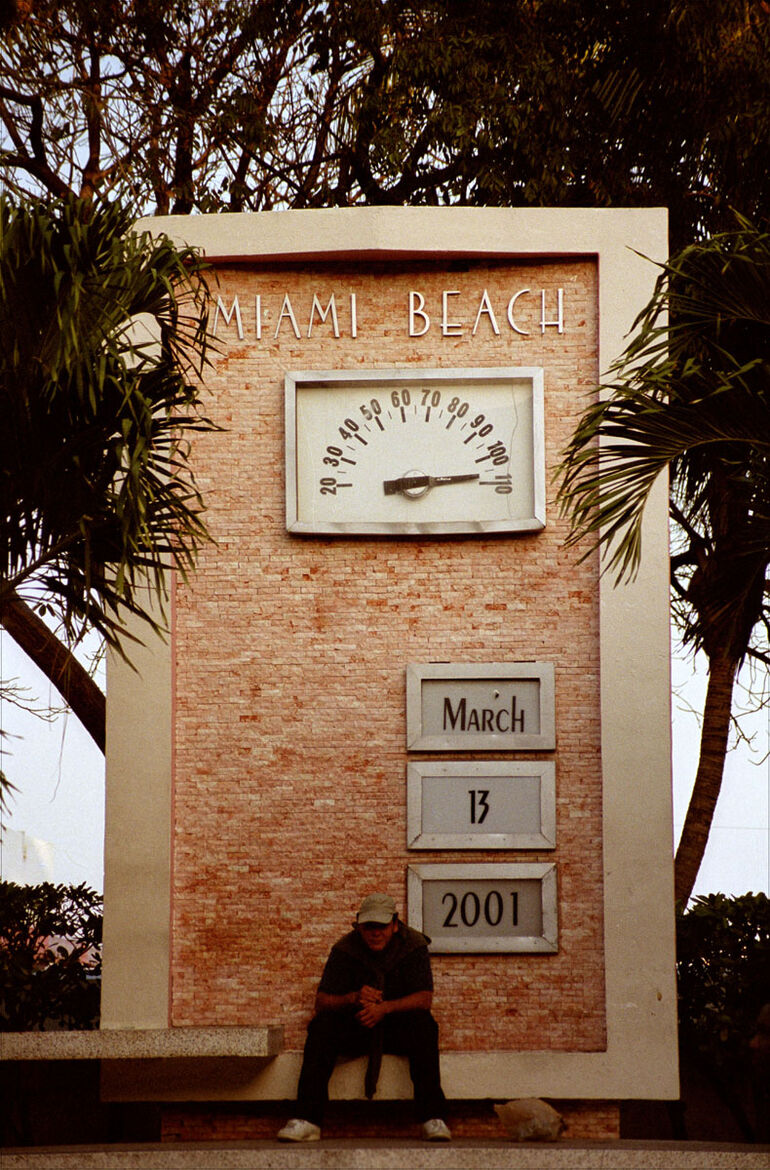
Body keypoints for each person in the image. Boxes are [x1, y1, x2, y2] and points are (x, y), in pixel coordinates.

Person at [277, 892, 451, 1142]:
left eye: (381, 926)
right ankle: (307, 1118)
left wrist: (385, 1008)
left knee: (424, 1026)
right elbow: (322, 1002)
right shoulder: (345, 949)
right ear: (359, 926)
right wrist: (353, 998)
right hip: (358, 1026)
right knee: (321, 1027)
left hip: (396, 1026)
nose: (375, 933)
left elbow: (424, 999)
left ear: (394, 924)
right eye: (369, 927)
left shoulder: (413, 946)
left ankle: (433, 1117)